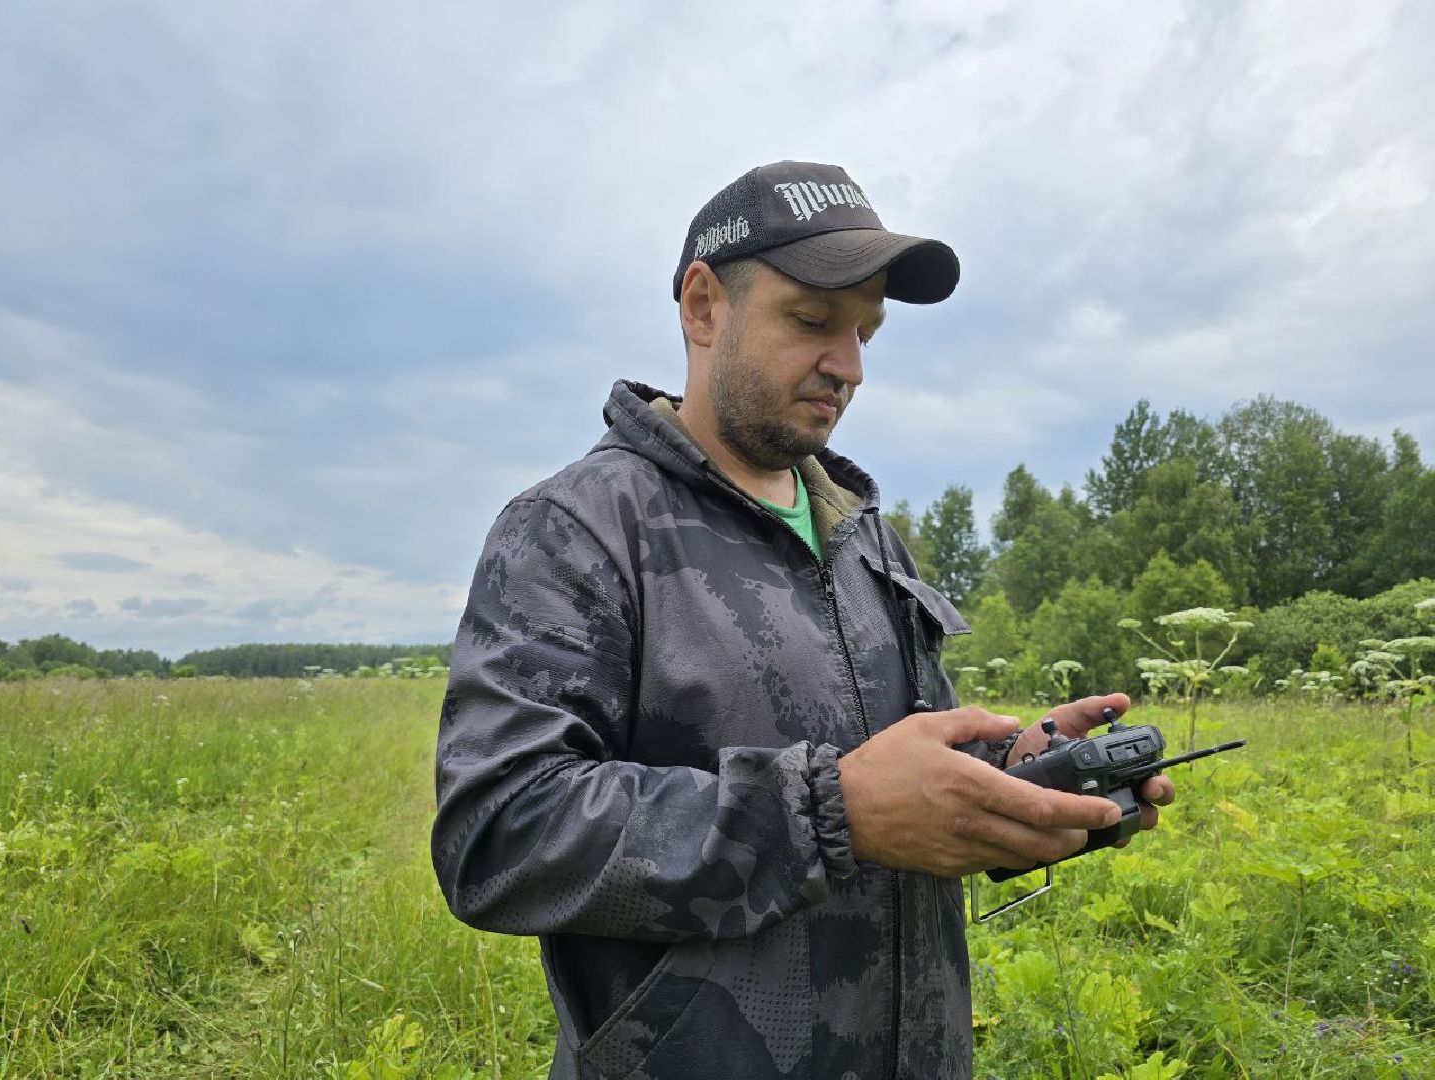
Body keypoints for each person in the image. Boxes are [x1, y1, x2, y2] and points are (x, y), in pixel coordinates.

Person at [432, 160, 1175, 1080]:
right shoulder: (578, 528)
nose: (851, 366)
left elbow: (896, 776)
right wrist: (833, 815)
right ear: (703, 309)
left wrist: (1015, 786)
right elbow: (500, 832)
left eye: (866, 331)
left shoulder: (866, 537)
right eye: (814, 321)